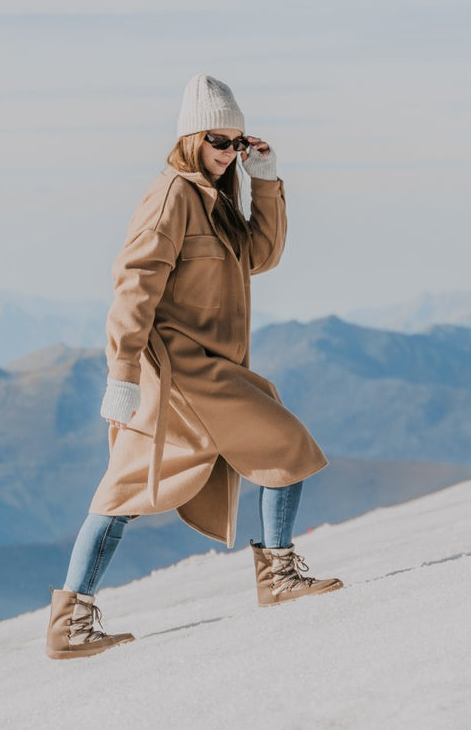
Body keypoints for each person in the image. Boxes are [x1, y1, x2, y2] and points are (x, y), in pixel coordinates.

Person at [46, 74, 341, 660]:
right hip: (180, 370)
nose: (229, 152)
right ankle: (277, 577)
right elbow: (132, 285)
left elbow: (261, 256)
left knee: (128, 487)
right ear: (189, 138)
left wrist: (266, 183)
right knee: (284, 443)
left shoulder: (216, 196)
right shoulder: (171, 197)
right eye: (218, 140)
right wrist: (121, 373)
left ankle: (70, 622)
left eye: (238, 142)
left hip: (207, 367)